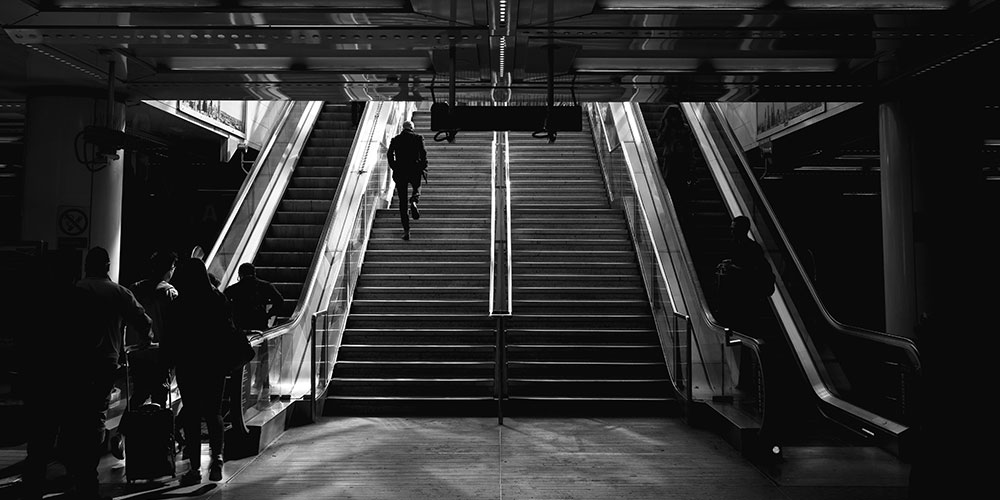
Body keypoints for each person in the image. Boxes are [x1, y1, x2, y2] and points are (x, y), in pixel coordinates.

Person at [20, 252, 107, 500]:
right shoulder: (84, 300)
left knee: (40, 442)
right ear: (74, 274)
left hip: (43, 381)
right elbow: (97, 338)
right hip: (76, 380)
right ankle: (86, 489)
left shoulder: (36, 302)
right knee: (79, 439)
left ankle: (32, 489)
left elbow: (25, 341)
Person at [71, 247, 152, 499]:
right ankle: (88, 471)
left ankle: (74, 465)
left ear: (86, 265)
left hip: (74, 361)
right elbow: (144, 321)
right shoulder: (119, 292)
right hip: (105, 362)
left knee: (75, 412)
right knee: (96, 414)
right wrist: (146, 339)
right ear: (107, 266)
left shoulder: (74, 290)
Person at [163, 258, 235, 485]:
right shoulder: (217, 299)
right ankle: (218, 459)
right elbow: (228, 330)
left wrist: (168, 361)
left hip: (189, 364)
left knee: (192, 414)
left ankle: (195, 468)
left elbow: (170, 336)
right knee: (214, 412)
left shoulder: (180, 303)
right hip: (214, 364)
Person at [127, 250, 178, 409]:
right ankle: (157, 423)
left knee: (139, 393)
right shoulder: (170, 292)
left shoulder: (135, 288)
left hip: (137, 352)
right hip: (160, 353)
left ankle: (127, 424)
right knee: (160, 395)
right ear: (169, 269)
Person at [715, 215, 775, 336]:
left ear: (743, 230)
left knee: (746, 329)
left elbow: (754, 272)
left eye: (734, 229)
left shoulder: (753, 248)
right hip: (734, 298)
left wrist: (733, 268)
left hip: (747, 298)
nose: (732, 232)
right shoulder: (734, 245)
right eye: (732, 229)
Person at [386, 119, 428, 240]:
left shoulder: (396, 139)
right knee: (417, 187)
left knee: (402, 202)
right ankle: (414, 200)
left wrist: (394, 166)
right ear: (412, 128)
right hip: (414, 169)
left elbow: (389, 154)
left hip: (400, 171)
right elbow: (423, 153)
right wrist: (422, 166)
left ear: (403, 128)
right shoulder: (418, 138)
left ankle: (406, 231)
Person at [656, 104, 695, 219]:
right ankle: (673, 210)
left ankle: (681, 211)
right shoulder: (666, 128)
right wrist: (666, 128)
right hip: (671, 160)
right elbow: (659, 141)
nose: (674, 119)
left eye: (675, 116)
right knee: (671, 184)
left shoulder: (684, 128)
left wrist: (691, 162)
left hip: (681, 160)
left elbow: (689, 146)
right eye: (672, 116)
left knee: (680, 187)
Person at [224, 262, 284, 332]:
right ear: (254, 273)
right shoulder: (265, 286)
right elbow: (279, 301)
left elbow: (222, 304)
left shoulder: (233, 289)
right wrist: (269, 314)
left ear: (240, 274)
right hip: (259, 322)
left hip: (240, 324)